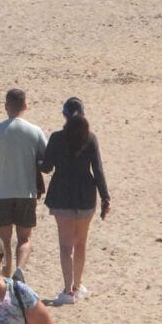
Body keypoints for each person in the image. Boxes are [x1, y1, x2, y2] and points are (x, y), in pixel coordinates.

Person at [39, 97, 109, 305]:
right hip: (86, 195)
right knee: (81, 243)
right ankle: (77, 286)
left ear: (65, 116)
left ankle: (68, 291)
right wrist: (105, 197)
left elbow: (47, 167)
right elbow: (98, 170)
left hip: (62, 195)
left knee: (65, 245)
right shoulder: (90, 138)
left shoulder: (57, 138)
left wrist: (38, 160)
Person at [0, 89, 48, 280]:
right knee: (25, 238)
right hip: (26, 193)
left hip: (1, 193)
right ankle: (20, 270)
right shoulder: (35, 131)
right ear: (25, 106)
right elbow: (47, 160)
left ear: (6, 106)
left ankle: (6, 281)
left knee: (4, 241)